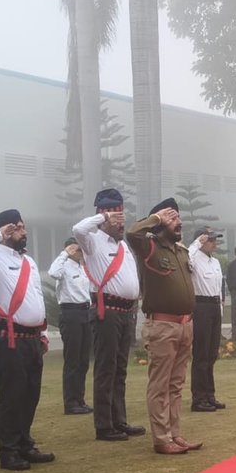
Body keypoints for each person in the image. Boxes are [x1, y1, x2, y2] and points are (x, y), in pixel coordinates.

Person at [0, 209, 55, 472]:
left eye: (23, 227)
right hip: (8, 336)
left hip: (30, 336)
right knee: (12, 393)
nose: (23, 232)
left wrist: (43, 330)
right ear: (5, 230)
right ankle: (9, 450)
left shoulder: (28, 261)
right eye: (17, 227)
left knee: (30, 393)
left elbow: (36, 295)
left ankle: (25, 442)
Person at [127, 198, 203, 455]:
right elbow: (131, 232)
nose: (178, 222)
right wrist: (157, 218)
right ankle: (161, 438)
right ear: (158, 222)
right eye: (172, 218)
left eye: (178, 217)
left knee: (176, 385)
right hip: (161, 325)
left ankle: (174, 434)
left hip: (184, 325)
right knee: (160, 385)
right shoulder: (148, 247)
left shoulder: (181, 252)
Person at [74, 188, 144, 442]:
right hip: (107, 311)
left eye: (121, 214)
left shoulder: (123, 244)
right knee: (106, 368)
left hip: (126, 312)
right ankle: (104, 424)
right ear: (103, 215)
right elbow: (78, 229)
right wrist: (102, 219)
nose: (120, 220)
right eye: (115, 214)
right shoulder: (92, 241)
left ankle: (119, 419)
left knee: (120, 369)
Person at [48, 237, 94, 415]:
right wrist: (64, 253)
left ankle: (80, 399)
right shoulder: (63, 266)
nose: (81, 253)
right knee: (72, 359)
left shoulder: (82, 268)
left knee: (83, 360)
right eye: (78, 250)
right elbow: (52, 272)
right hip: (70, 313)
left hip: (85, 311)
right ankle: (70, 402)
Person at [188, 229, 226, 412]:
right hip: (201, 305)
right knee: (201, 355)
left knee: (211, 355)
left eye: (214, 239)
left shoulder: (216, 262)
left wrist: (219, 311)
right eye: (210, 240)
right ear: (202, 241)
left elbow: (219, 289)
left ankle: (210, 395)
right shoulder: (194, 258)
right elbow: (184, 258)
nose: (214, 243)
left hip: (214, 307)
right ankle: (198, 398)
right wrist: (196, 243)